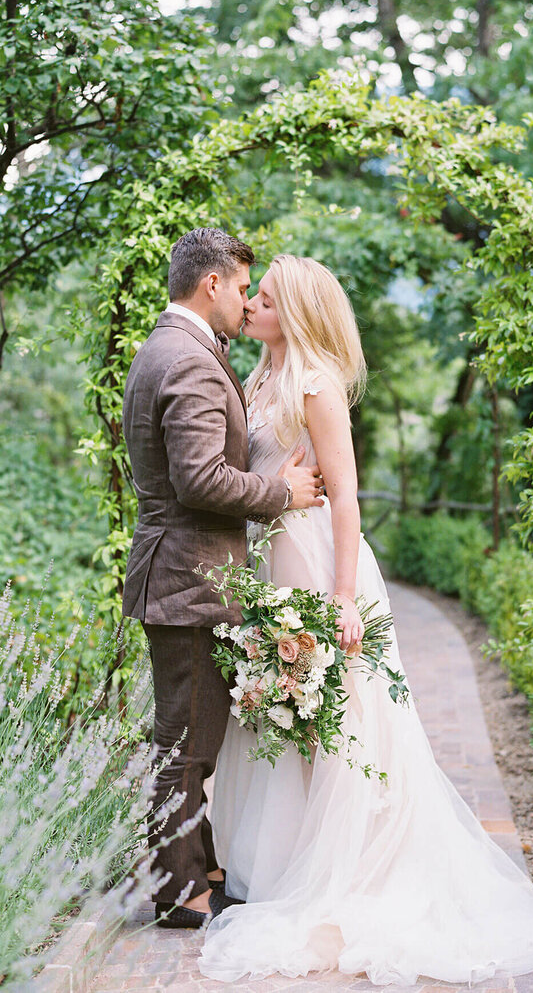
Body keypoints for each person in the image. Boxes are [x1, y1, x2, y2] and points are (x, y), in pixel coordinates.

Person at [199, 254, 533, 985]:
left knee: (338, 717)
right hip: (269, 563)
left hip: (314, 563)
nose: (252, 307)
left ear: (296, 313)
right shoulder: (256, 377)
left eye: (264, 299)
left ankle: (349, 866)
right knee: (281, 710)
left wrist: (342, 596)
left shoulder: (316, 385)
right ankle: (285, 863)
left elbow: (345, 498)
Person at [121, 230, 325, 929]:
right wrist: (281, 493)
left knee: (191, 737)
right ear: (211, 284)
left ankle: (200, 867)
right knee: (186, 747)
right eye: (243, 286)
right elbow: (199, 477)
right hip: (188, 581)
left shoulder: (172, 348)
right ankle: (179, 896)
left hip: (181, 575)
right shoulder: (190, 361)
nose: (246, 299)